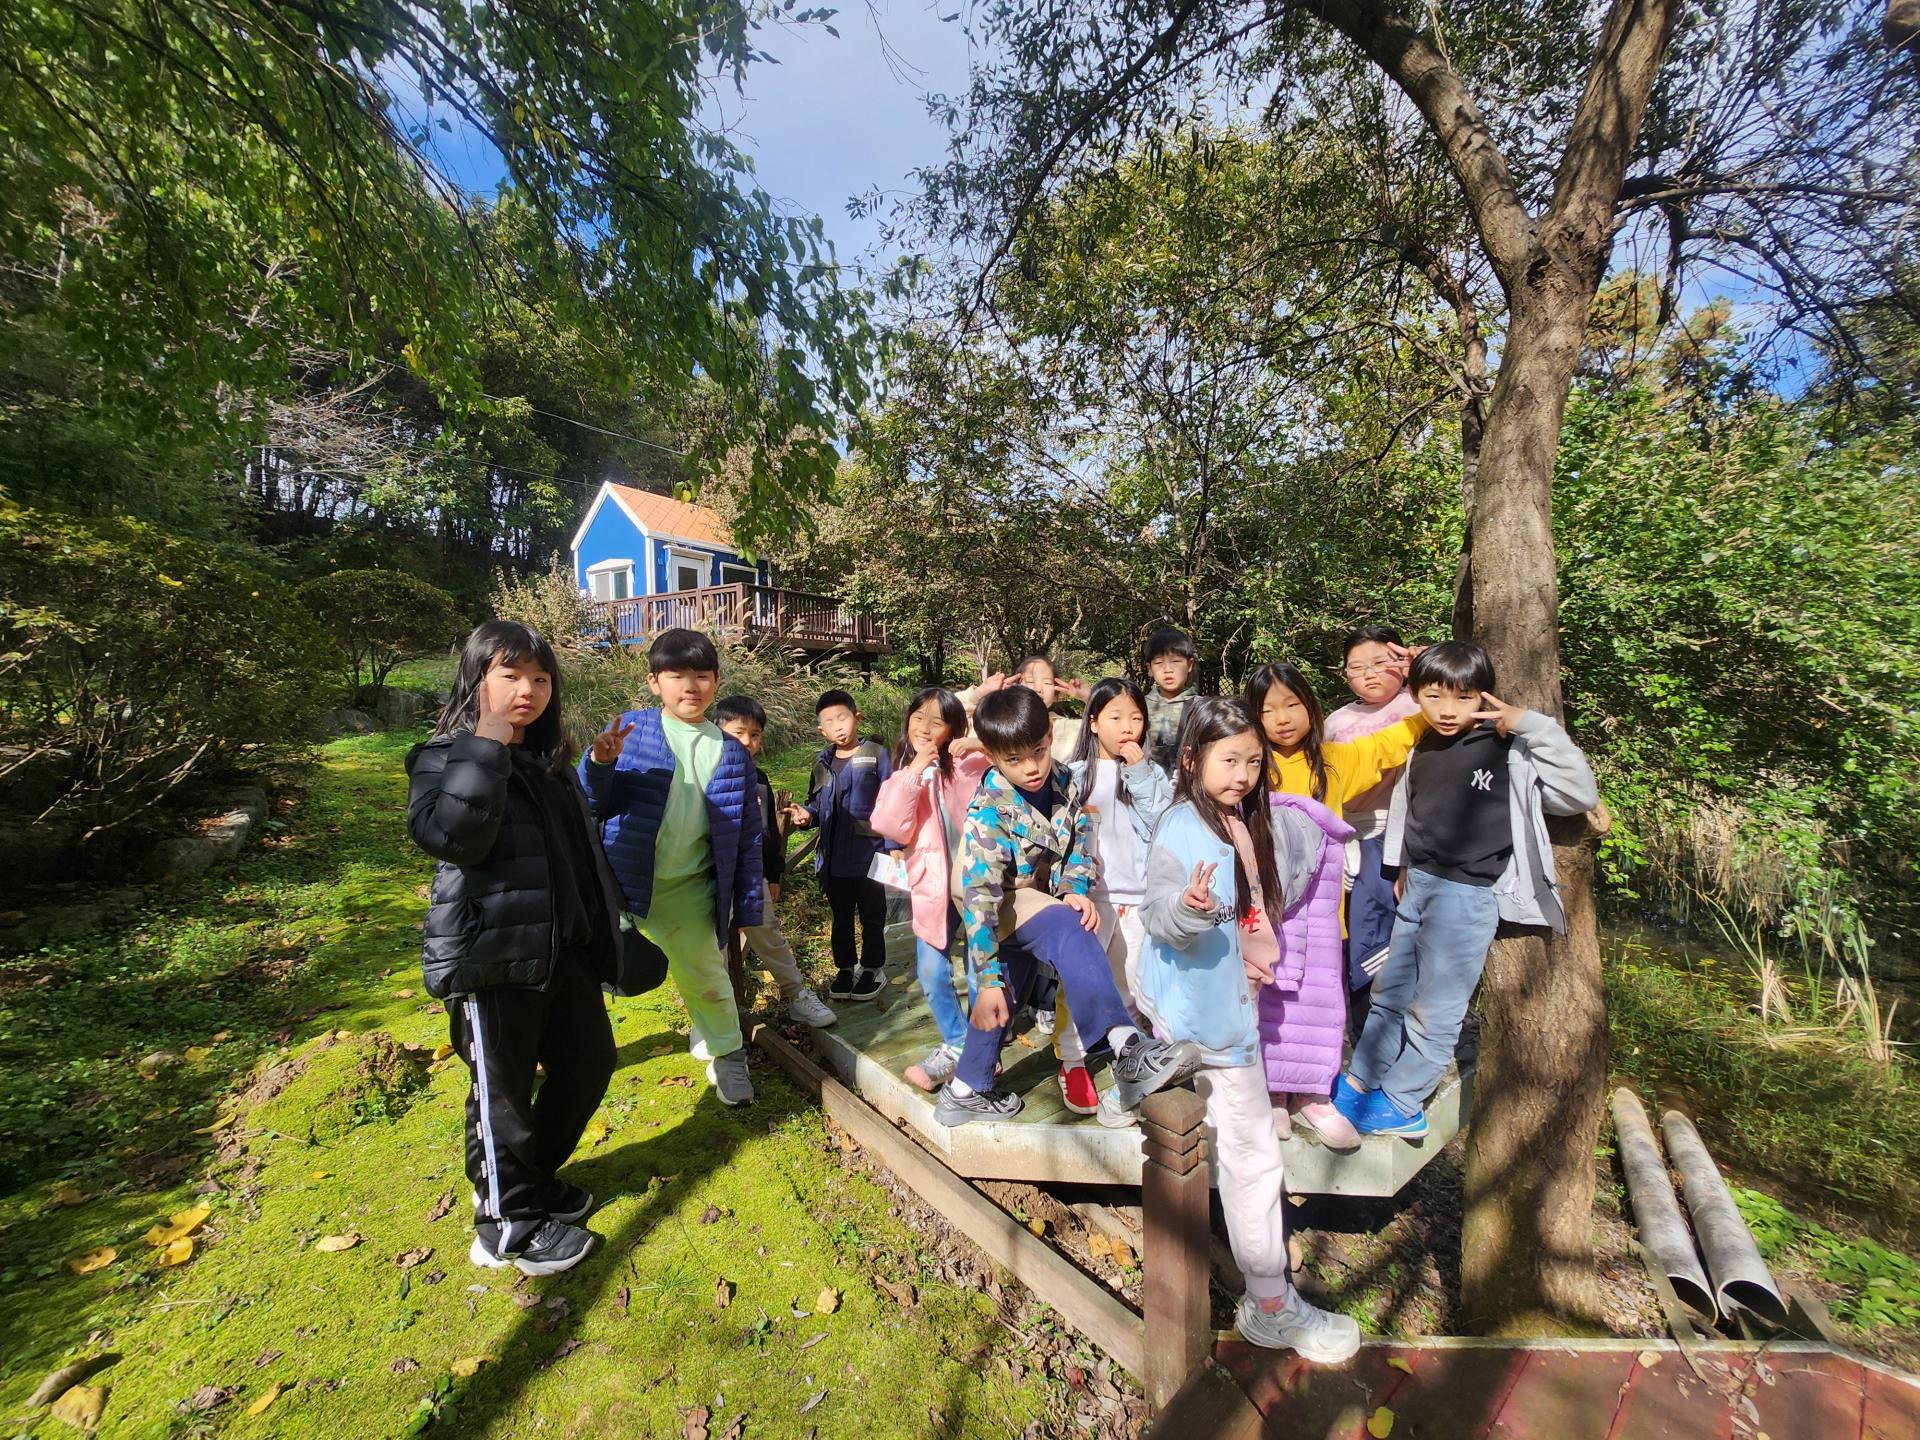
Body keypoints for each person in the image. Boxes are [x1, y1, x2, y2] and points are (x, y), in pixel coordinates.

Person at [1133, 695, 1364, 1362]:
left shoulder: (1241, 818)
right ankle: (1270, 1305)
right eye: (1229, 760)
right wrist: (1189, 907)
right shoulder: (1182, 826)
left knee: (1246, 1145)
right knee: (1253, 1152)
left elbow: (1259, 899)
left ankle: (1267, 1294)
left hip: (1230, 1002)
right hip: (1210, 1017)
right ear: (1190, 759)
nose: (1243, 774)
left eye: (1254, 763)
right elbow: (1158, 914)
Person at [406, 620, 620, 1275]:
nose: (528, 689)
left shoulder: (549, 765)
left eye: (540, 678)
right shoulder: (442, 757)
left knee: (589, 1066)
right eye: (511, 675)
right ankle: (508, 1226)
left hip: (562, 952)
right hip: (491, 958)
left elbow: (579, 853)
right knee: (503, 1096)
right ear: (477, 679)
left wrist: (602, 937)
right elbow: (454, 837)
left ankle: (530, 1182)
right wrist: (487, 742)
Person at [1337, 640, 1599, 1137]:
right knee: (1391, 990)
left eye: (1463, 697)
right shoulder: (1423, 743)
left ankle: (1404, 1101)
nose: (1447, 710)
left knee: (1435, 1006)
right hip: (1417, 885)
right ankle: (1362, 1078)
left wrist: (1533, 725)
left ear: (1483, 696)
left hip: (1467, 895)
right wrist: (1402, 866)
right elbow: (1412, 811)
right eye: (1433, 696)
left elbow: (1578, 794)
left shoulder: (1506, 747)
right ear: (1415, 695)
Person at [938, 686, 1201, 1129]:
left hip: (1035, 894)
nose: (1031, 767)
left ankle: (964, 1091)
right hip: (992, 899)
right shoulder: (988, 811)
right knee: (1063, 930)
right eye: (1014, 760)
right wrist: (984, 978)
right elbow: (981, 899)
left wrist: (1074, 887)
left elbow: (1079, 839)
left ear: (1049, 737)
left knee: (1006, 996)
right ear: (993, 757)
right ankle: (1127, 1049)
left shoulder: (1063, 779)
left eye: (1038, 752)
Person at [1242, 661, 1425, 1143]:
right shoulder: (1250, 766)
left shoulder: (1335, 761)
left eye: (1292, 705)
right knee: (1270, 998)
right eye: (1267, 711)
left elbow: (1392, 741)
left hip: (1322, 912)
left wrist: (1436, 690)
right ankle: (1272, 1093)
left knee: (1319, 1000)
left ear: (1311, 705)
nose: (1282, 719)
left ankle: (1313, 1095)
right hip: (1266, 907)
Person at [582, 627, 764, 1107]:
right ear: (653, 681)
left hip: (687, 889)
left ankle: (728, 1056)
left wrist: (748, 905)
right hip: (620, 884)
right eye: (676, 675)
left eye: (701, 675)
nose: (690, 686)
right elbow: (590, 804)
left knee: (708, 979)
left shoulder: (731, 752)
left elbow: (746, 838)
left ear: (716, 680)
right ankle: (553, 1052)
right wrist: (599, 763)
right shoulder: (631, 732)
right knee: (584, 974)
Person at [1052, 676, 1172, 1115]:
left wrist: (1139, 773)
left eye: (1136, 719)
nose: (1127, 728)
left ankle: (1129, 1054)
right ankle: (1071, 1060)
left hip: (1139, 897)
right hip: (1091, 898)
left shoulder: (1151, 774)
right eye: (1116, 717)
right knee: (1080, 982)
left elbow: (1163, 821)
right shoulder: (1073, 775)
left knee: (1132, 981)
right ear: (1093, 722)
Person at [868, 687, 992, 1091]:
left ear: (953, 729)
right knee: (930, 970)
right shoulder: (904, 770)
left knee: (980, 968)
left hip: (977, 883)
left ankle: (979, 1045)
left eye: (936, 722)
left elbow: (1014, 759)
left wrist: (979, 742)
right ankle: (959, 1042)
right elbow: (888, 824)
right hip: (931, 885)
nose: (923, 727)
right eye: (918, 717)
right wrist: (914, 771)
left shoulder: (971, 763)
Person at [710, 695, 838, 1031]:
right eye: (738, 733)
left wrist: (774, 875)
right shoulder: (702, 773)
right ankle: (714, 1016)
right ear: (716, 731)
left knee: (768, 934)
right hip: (711, 879)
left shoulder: (759, 779)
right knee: (713, 948)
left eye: (755, 735)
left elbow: (766, 834)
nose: (747, 742)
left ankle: (797, 996)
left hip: (751, 878)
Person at [1324, 626, 1421, 1033]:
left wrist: (1425, 667)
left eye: (1381, 663)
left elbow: (1466, 694)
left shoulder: (1420, 703)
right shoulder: (1335, 721)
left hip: (1394, 835)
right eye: (1357, 667)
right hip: (1344, 835)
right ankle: (1353, 1026)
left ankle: (1378, 1028)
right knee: (1344, 932)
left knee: (1377, 930)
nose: (1369, 674)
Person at [787, 689, 893, 1001]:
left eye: (842, 718)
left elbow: (895, 801)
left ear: (856, 718)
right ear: (822, 730)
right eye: (830, 722)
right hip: (833, 860)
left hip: (871, 855)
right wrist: (807, 815)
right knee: (841, 917)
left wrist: (894, 847)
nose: (838, 726)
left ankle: (873, 968)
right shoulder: (822, 763)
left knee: (872, 915)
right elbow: (817, 806)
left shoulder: (877, 754)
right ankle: (845, 968)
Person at [1142, 628, 1198, 773]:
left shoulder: (1202, 708)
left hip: (1188, 781)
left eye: (1176, 661)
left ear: (1189, 664)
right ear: (1149, 668)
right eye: (1159, 663)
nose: (1167, 669)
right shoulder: (1140, 706)